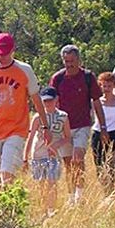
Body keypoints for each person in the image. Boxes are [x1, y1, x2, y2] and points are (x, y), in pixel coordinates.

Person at [0, 32, 45, 188]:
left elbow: (36, 98)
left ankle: (7, 207)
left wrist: (45, 126)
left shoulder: (24, 70)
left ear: (13, 50)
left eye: (4, 54)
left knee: (7, 174)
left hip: (16, 130)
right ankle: (1, 206)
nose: (1, 57)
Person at [49, 44, 108, 204]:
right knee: (68, 163)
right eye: (66, 61)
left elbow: (96, 102)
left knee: (78, 158)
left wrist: (102, 126)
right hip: (63, 127)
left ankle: (79, 196)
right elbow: (50, 102)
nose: (69, 64)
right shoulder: (58, 79)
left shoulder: (88, 77)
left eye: (72, 60)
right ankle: (71, 196)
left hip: (82, 125)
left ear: (79, 60)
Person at [24, 86, 72, 217]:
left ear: (56, 99)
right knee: (41, 184)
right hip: (38, 154)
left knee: (52, 182)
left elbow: (67, 137)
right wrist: (25, 157)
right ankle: (43, 210)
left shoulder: (63, 116)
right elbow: (30, 137)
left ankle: (51, 210)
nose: (47, 103)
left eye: (50, 100)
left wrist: (57, 145)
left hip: (53, 156)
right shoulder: (37, 117)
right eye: (44, 101)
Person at [90, 72, 115, 191]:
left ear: (114, 86)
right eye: (103, 86)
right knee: (99, 163)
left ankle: (111, 188)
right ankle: (104, 188)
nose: (106, 89)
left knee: (113, 163)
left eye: (109, 86)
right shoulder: (95, 102)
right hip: (98, 133)